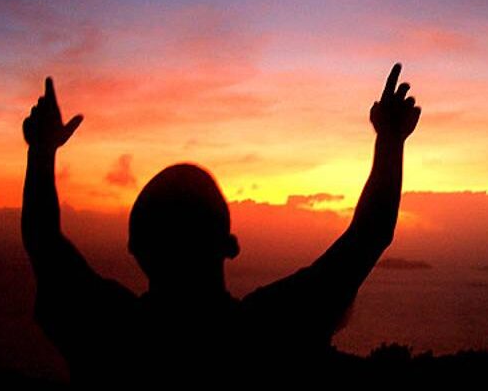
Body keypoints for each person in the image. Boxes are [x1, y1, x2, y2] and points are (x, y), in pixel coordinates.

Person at [21, 63, 421, 385]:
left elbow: (43, 241)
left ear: (135, 248)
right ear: (230, 245)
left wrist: (42, 151)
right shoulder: (267, 332)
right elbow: (370, 234)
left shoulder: (107, 331)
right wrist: (389, 138)